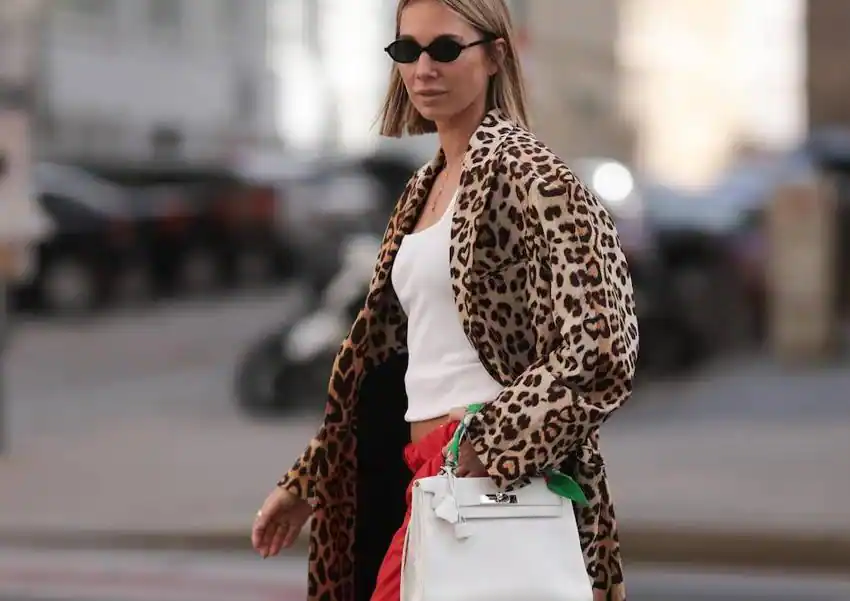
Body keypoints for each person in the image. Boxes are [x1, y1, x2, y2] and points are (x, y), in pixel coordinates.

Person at [250, 1, 639, 600]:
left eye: (446, 49)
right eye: (408, 50)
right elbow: (387, 363)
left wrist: (484, 446)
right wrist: (311, 480)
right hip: (422, 472)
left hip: (487, 479)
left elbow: (603, 343)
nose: (424, 68)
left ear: (495, 56)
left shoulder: (533, 176)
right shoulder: (423, 186)